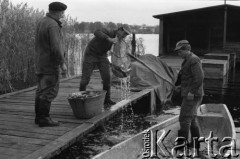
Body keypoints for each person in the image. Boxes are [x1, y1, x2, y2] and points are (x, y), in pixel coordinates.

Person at [79, 26, 131, 108]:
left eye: (126, 35)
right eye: (124, 33)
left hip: (102, 55)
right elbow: (96, 31)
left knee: (107, 78)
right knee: (85, 79)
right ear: (120, 30)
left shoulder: (119, 38)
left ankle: (107, 100)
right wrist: (108, 39)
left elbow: (119, 51)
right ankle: (80, 98)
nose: (125, 36)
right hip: (91, 54)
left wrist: (125, 53)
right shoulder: (109, 31)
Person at [34, 2, 67, 127]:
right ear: (57, 12)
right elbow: (55, 47)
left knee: (40, 90)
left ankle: (38, 117)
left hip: (40, 63)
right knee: (49, 91)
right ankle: (44, 118)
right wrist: (62, 63)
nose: (63, 15)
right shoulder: (53, 25)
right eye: (62, 13)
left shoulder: (42, 21)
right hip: (49, 65)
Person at [174, 40, 204, 150]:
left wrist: (191, 92)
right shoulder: (188, 59)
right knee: (192, 118)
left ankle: (181, 145)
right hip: (190, 92)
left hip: (192, 95)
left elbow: (199, 78)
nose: (178, 54)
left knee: (184, 118)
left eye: (180, 51)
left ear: (186, 50)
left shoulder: (193, 60)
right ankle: (196, 144)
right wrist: (180, 86)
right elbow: (189, 78)